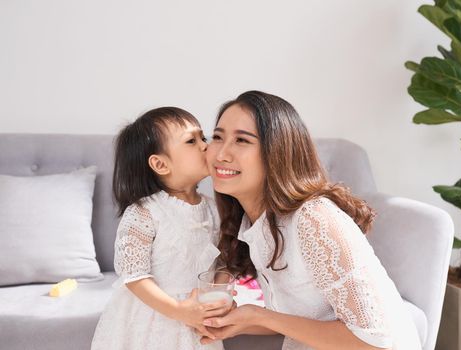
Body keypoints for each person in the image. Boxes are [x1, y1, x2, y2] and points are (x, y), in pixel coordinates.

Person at [201, 91, 422, 350]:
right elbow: (300, 316)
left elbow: (374, 341)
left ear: (277, 152)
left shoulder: (313, 218)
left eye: (242, 140)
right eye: (217, 137)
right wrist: (237, 320)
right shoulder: (255, 223)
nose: (221, 154)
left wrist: (259, 315)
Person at [91, 107, 230, 350]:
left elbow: (223, 261)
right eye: (191, 141)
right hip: (155, 316)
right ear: (160, 164)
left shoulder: (213, 209)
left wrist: (219, 294)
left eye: (203, 138)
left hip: (197, 315)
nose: (205, 146)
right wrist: (178, 310)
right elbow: (134, 277)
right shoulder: (145, 212)